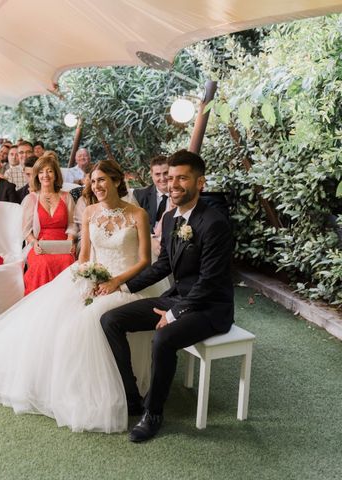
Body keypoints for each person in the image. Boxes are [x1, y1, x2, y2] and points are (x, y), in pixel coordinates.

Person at [0, 160, 164, 433]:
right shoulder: (90, 213)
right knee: (52, 318)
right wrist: (85, 279)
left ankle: (121, 391)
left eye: (101, 181)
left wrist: (115, 282)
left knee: (86, 322)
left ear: (116, 182)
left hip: (125, 282)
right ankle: (65, 385)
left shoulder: (137, 215)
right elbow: (84, 256)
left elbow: (145, 260)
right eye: (93, 182)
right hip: (93, 277)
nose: (96, 187)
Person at [100, 150, 235, 443]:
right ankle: (133, 396)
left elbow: (210, 282)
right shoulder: (172, 217)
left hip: (210, 308)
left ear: (200, 183)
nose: (173, 184)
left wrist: (174, 314)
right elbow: (163, 266)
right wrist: (123, 286)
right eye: (171, 177)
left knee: (163, 338)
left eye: (182, 178)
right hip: (177, 298)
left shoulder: (215, 223)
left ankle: (153, 413)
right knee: (110, 320)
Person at [22, 154, 76, 294]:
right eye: (41, 172)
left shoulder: (66, 197)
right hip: (40, 245)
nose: (45, 175)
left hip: (63, 245)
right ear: (36, 176)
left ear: (56, 174)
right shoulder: (31, 199)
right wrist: (34, 243)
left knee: (68, 261)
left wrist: (70, 241)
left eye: (49, 171)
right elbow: (26, 231)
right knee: (42, 263)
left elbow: (71, 224)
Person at [133, 155, 170, 233]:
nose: (162, 178)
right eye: (157, 174)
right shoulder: (139, 196)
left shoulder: (181, 195)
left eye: (166, 173)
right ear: (152, 175)